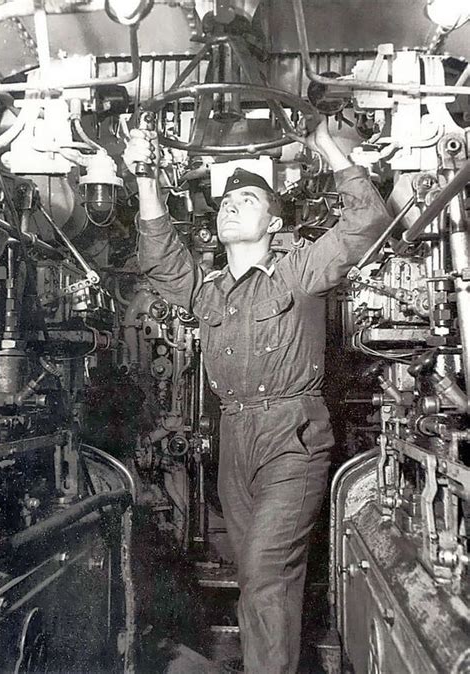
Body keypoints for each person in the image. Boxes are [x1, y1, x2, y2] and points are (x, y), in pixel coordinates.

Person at [123, 119, 390, 674]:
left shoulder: (298, 272)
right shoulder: (208, 291)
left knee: (267, 573)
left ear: (274, 223)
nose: (230, 206)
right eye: (226, 202)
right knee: (256, 579)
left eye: (247, 201)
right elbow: (160, 258)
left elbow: (366, 222)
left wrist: (326, 144)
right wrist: (145, 178)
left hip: (292, 439)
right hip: (235, 441)